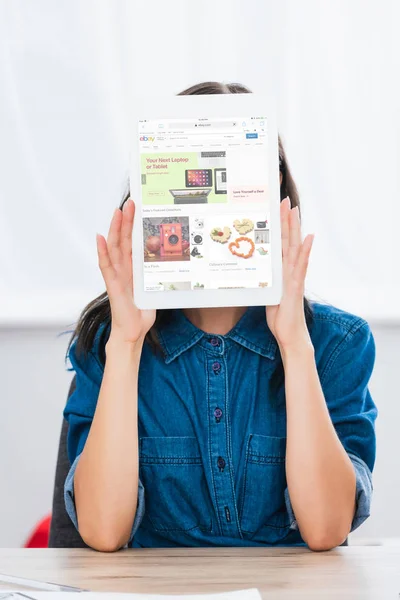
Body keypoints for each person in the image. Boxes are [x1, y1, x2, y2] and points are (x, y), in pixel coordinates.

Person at [63, 81, 377, 552]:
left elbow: (327, 529)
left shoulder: (336, 344)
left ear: (277, 202)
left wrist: (294, 344)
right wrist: (126, 345)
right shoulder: (112, 341)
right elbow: (103, 533)